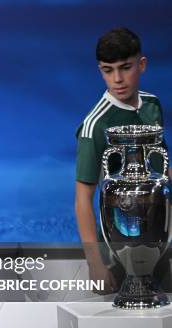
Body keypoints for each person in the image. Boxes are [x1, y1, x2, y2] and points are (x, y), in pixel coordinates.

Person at [75, 27, 166, 289]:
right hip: (119, 249)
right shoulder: (95, 125)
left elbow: (162, 165)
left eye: (125, 67)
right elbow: (82, 200)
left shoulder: (152, 104)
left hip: (159, 237)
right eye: (107, 70)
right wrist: (96, 265)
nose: (117, 79)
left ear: (142, 65)